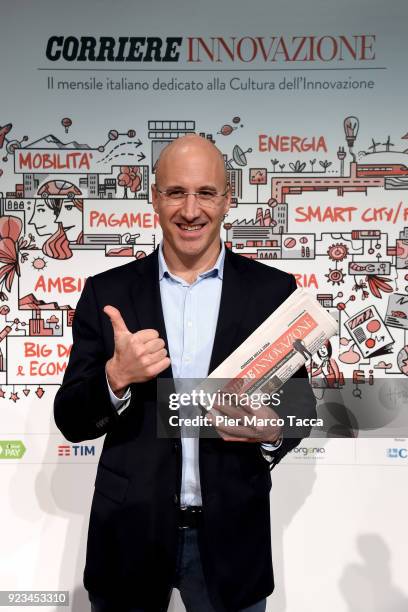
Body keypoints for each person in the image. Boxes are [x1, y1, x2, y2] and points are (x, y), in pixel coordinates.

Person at [54, 134, 317, 612]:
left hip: (233, 537)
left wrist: (271, 431)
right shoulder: (106, 293)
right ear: (155, 198)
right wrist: (115, 378)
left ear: (227, 200)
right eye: (176, 192)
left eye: (205, 193)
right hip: (129, 534)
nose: (191, 210)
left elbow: (301, 409)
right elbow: (71, 418)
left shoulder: (272, 292)